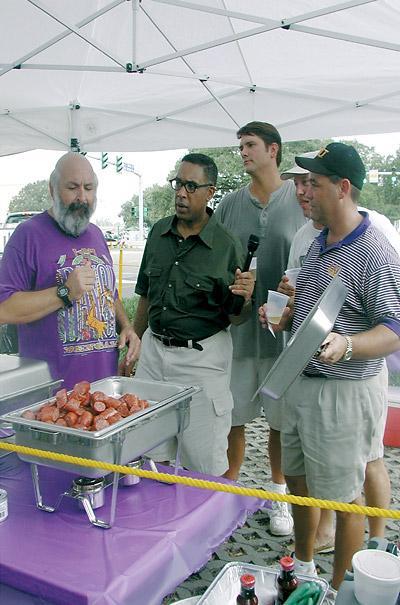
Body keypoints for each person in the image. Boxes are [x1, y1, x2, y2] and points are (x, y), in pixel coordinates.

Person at [260, 142, 400, 594]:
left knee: (345, 500)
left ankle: (340, 592)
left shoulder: (374, 251)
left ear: (342, 188)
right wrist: (285, 315)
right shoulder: (318, 244)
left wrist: (349, 343)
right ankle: (304, 570)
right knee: (300, 485)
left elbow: (394, 329)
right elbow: (310, 314)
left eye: (312, 184)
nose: (303, 191)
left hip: (343, 397)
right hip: (300, 384)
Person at [128, 153, 254, 476]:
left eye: (191, 186)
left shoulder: (227, 246)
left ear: (210, 191)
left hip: (201, 360)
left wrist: (245, 298)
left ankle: (213, 524)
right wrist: (135, 341)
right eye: (178, 184)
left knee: (204, 462)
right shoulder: (158, 234)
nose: (181, 193)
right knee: (148, 454)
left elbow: (237, 317)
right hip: (154, 356)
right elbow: (145, 294)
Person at [215, 121, 305, 535]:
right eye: (240, 146)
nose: (243, 152)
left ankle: (278, 496)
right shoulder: (230, 204)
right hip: (238, 334)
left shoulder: (300, 197)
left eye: (250, 145)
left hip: (284, 336)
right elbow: (214, 260)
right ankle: (228, 492)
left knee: (280, 423)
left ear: (274, 149)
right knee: (232, 417)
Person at [0, 152, 139, 389]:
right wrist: (63, 293)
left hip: (102, 389)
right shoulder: (27, 235)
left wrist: (126, 326)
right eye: (72, 187)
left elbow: (108, 294)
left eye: (89, 188)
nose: (82, 197)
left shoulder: (96, 233)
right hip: (52, 398)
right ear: (52, 190)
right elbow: (4, 309)